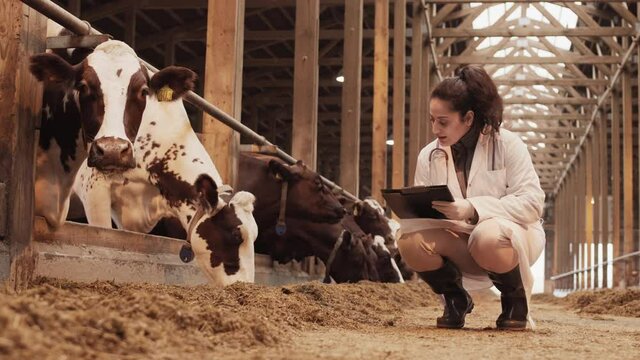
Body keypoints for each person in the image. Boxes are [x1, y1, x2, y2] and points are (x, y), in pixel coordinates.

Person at [396, 65, 545, 330]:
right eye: (432, 119)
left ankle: (514, 300)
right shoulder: (430, 155)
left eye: (443, 121)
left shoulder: (508, 144)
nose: (435, 129)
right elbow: (424, 215)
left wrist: (472, 208)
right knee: (410, 242)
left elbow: (532, 203)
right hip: (460, 240)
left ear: (468, 118)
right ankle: (456, 300)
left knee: (485, 236)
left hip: (508, 241)